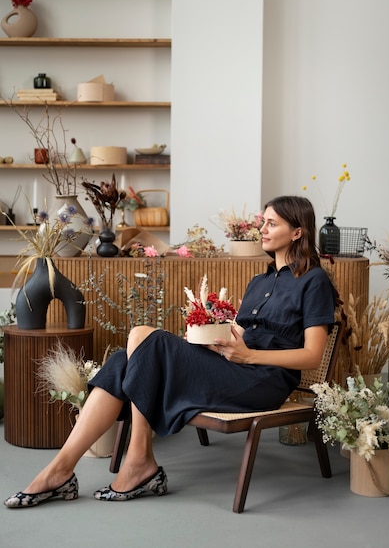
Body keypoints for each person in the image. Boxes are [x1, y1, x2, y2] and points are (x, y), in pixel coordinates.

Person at [4, 195, 336, 508]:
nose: (262, 229)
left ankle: (137, 461)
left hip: (263, 381)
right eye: (262, 222)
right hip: (233, 367)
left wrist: (249, 356)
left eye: (272, 224)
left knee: (143, 337)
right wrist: (215, 337)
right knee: (123, 360)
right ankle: (62, 468)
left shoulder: (314, 281)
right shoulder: (258, 282)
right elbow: (239, 333)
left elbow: (312, 356)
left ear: (297, 232)